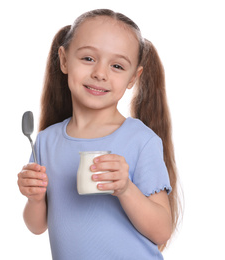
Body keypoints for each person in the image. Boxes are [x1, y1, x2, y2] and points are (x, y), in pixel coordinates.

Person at [17, 9, 180, 260]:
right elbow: (37, 226)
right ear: (64, 59)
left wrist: (126, 188)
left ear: (133, 78)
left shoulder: (141, 140)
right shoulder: (46, 141)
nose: (100, 73)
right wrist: (35, 199)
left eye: (117, 65)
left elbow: (161, 232)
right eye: (88, 58)